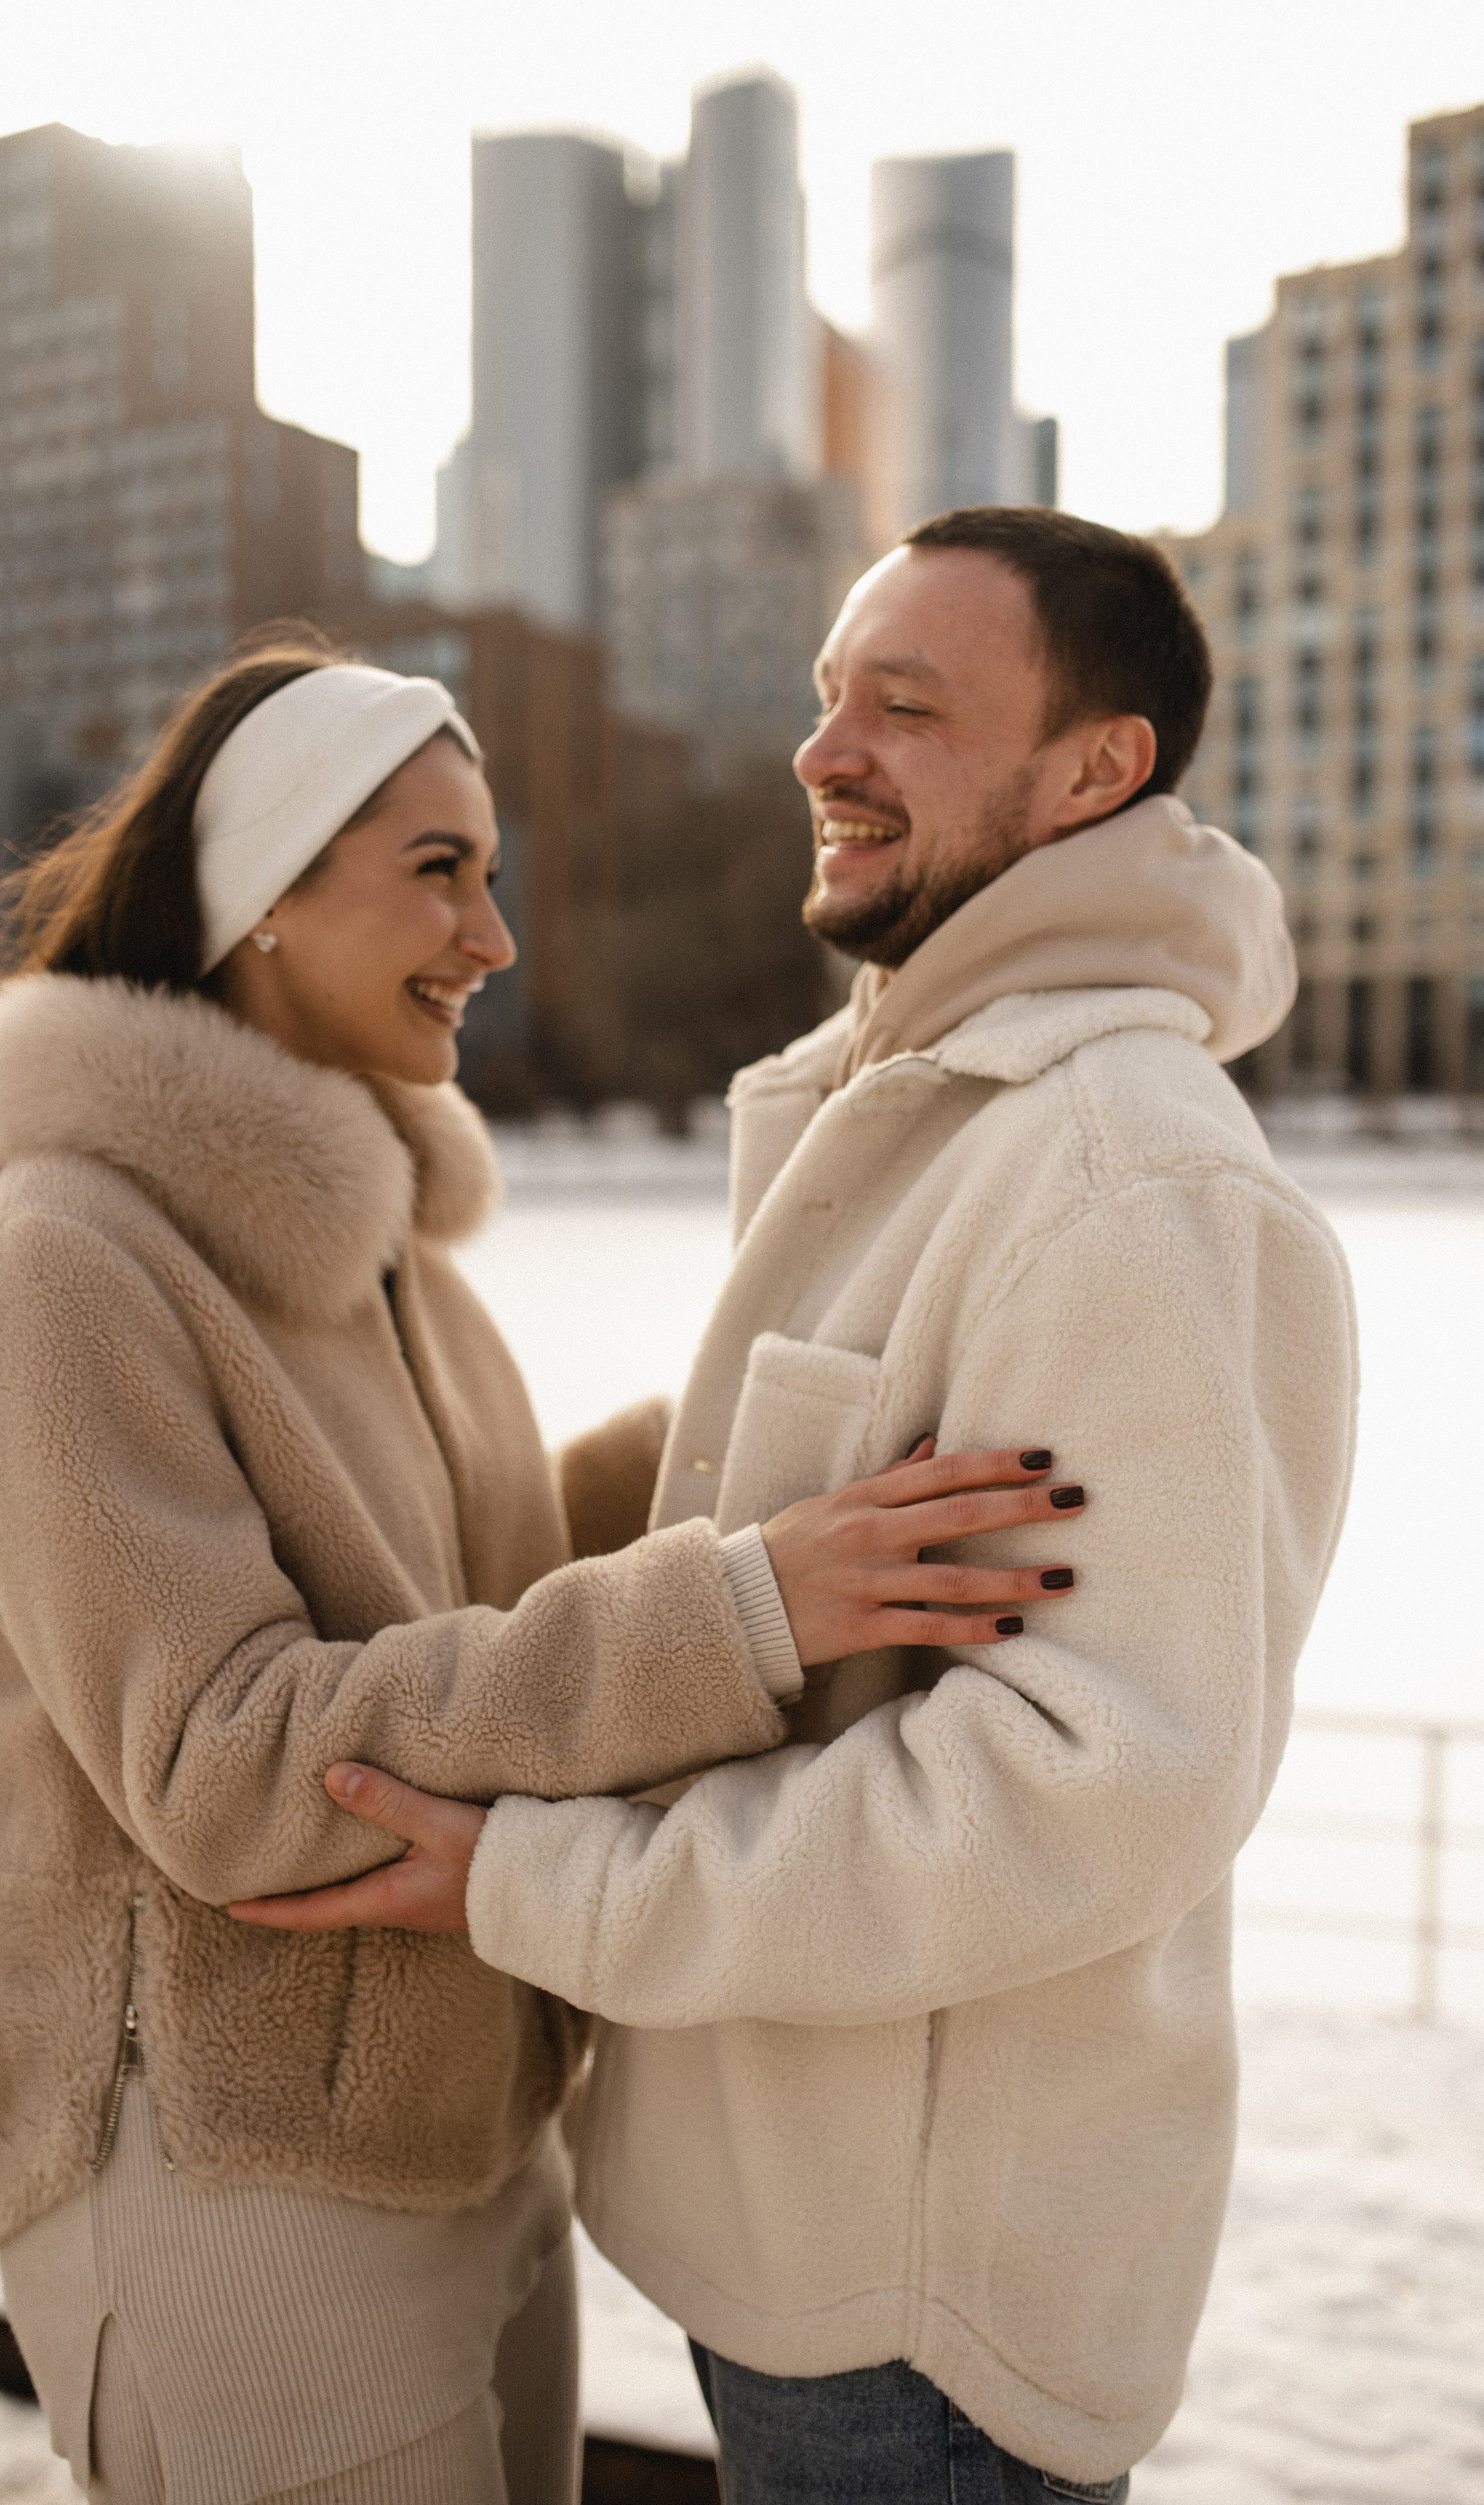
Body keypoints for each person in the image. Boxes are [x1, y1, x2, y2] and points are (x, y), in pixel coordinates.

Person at [241, 512, 1358, 2504]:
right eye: (830, 696)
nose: (823, 751)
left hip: (917, 2318)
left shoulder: (1129, 1180)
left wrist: (542, 1885)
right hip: (793, 2242)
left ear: (1095, 769)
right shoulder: (935, 1116)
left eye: (905, 707)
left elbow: (1089, 1789)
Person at [0, 637, 1088, 2505]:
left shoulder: (386, 1253)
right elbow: (231, 1764)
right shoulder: (74, 1252)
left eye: (494, 872)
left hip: (460, 2118)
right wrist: (749, 1603)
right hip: (223, 2166)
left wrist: (781, 1442)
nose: (495, 936)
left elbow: (480, 1587)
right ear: (265, 891)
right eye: (438, 870)